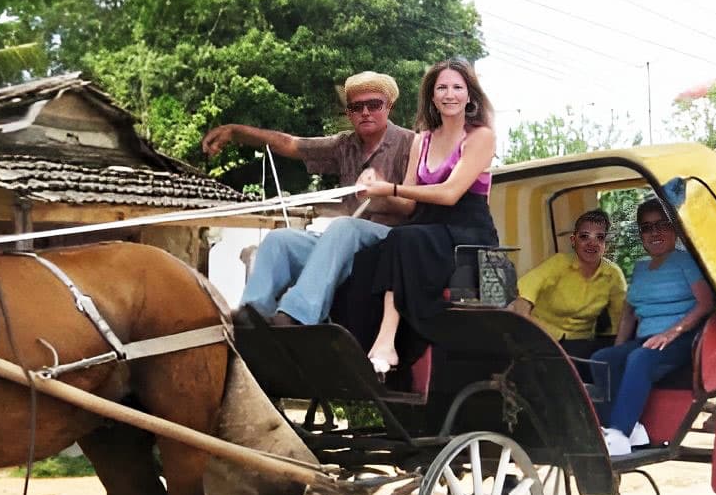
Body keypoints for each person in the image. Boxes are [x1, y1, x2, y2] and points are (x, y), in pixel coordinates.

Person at [201, 71, 414, 326]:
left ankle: (297, 315)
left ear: (389, 106)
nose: (365, 112)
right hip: (344, 243)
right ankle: (252, 312)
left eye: (374, 105)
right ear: (349, 113)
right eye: (357, 107)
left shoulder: (411, 143)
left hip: (392, 242)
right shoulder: (343, 145)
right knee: (280, 240)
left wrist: (384, 191)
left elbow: (414, 206)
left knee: (344, 227)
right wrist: (237, 132)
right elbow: (291, 144)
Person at [359, 58, 498, 374]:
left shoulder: (481, 136)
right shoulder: (421, 140)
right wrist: (374, 192)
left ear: (470, 95)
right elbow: (408, 203)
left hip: (468, 234)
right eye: (442, 88)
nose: (450, 94)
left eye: (457, 87)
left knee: (404, 238)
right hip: (426, 227)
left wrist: (388, 187)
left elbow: (450, 194)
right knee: (370, 255)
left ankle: (387, 341)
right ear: (432, 97)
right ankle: (362, 341)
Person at [589, 198, 715, 457]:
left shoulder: (685, 261)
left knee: (640, 357)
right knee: (602, 359)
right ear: (641, 234)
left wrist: (672, 332)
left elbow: (705, 304)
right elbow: (629, 313)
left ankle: (619, 433)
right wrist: (618, 348)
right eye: (646, 228)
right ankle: (630, 428)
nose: (654, 233)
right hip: (647, 338)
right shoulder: (640, 268)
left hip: (684, 338)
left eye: (661, 225)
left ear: (675, 229)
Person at [509, 209, 627, 360]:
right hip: (542, 339)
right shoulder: (558, 263)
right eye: (584, 236)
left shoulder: (613, 274)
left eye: (600, 237)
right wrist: (531, 333)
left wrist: (616, 354)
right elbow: (522, 299)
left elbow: (620, 320)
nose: (592, 243)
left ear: (607, 245)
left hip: (582, 344)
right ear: (573, 240)